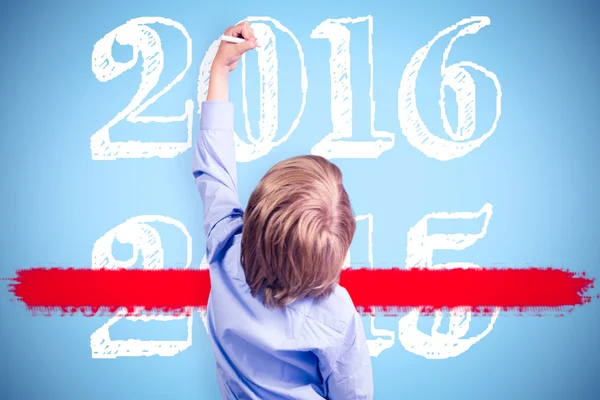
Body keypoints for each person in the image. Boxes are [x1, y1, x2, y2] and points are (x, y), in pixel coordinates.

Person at [192, 21, 373, 400]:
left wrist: (220, 70)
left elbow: (214, 167)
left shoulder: (225, 245)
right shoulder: (337, 315)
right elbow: (354, 395)